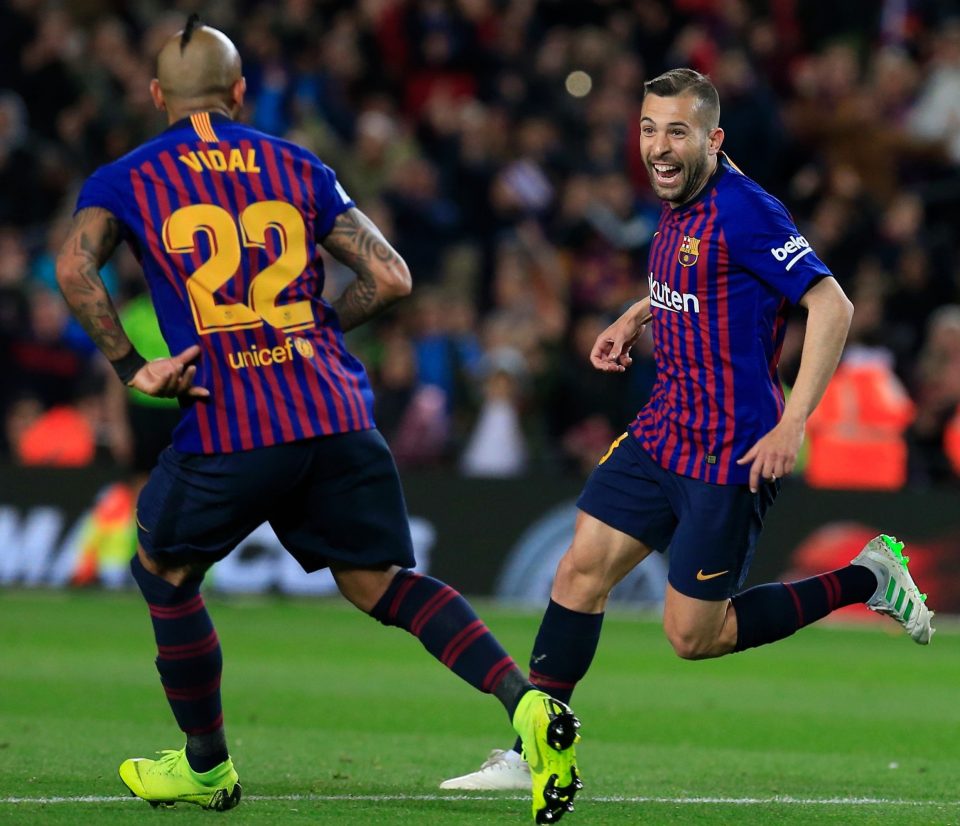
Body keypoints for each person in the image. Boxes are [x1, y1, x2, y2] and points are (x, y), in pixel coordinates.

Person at [54, 17, 581, 824]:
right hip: (330, 408)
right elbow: (392, 277)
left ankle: (206, 768)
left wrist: (133, 368)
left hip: (230, 420)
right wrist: (318, 328)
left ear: (156, 95)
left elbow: (73, 265)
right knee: (380, 584)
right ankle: (525, 705)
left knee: (163, 571)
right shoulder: (296, 163)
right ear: (240, 93)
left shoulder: (129, 177)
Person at [441, 67, 935, 792]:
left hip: (731, 446)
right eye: (648, 128)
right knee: (579, 570)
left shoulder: (747, 209)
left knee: (692, 637)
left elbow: (833, 306)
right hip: (664, 425)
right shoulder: (679, 194)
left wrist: (795, 421)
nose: (659, 147)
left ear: (714, 138)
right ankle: (531, 753)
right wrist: (638, 314)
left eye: (677, 131)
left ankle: (869, 575)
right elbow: (705, 276)